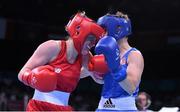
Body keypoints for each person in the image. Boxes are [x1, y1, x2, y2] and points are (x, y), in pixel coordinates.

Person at [18, 11, 105, 111]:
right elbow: (21, 73)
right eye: (91, 38)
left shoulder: (85, 56)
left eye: (95, 40)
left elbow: (99, 80)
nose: (93, 43)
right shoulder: (52, 47)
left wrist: (108, 67)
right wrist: (33, 78)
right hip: (38, 108)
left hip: (63, 109)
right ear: (78, 33)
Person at [86, 11, 144, 111]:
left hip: (124, 109)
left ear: (118, 29)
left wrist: (116, 68)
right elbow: (99, 80)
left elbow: (131, 88)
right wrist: (89, 68)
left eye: (105, 30)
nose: (102, 34)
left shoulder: (134, 55)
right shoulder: (105, 54)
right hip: (102, 107)